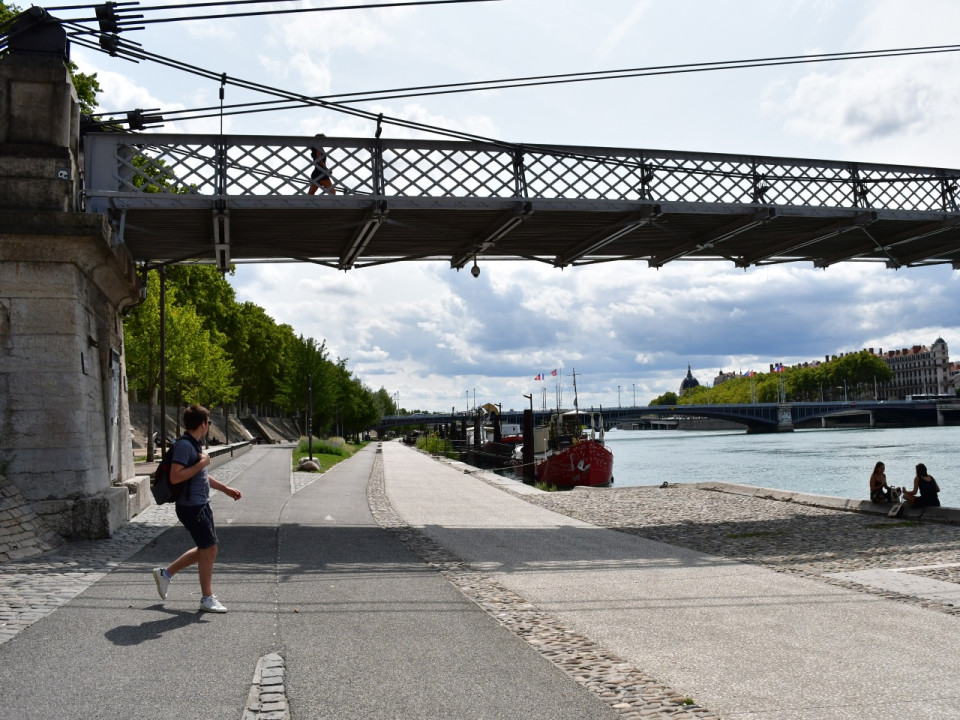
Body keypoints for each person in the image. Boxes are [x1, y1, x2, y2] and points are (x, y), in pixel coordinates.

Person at [152, 404, 242, 613]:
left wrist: (225, 488)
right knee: (209, 548)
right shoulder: (185, 446)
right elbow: (176, 475)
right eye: (209, 423)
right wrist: (202, 464)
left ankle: (165, 574)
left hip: (199, 505)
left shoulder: (194, 444)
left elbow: (199, 475)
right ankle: (207, 598)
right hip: (192, 507)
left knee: (207, 548)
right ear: (203, 424)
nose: (209, 426)